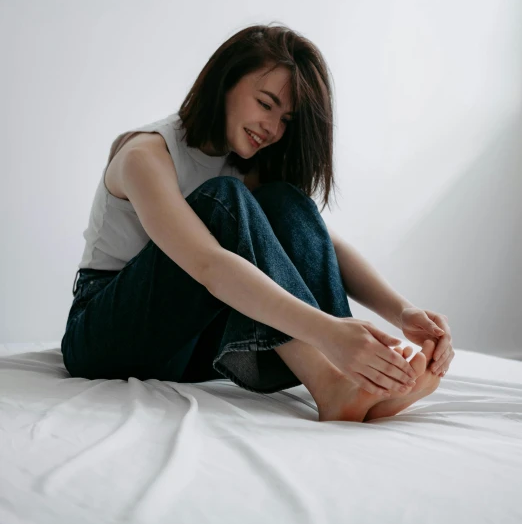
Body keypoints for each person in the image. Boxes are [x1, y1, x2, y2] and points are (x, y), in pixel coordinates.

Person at [61, 23, 455, 423]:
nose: (273, 128)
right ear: (225, 83)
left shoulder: (243, 167)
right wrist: (328, 333)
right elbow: (208, 266)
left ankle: (355, 378)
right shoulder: (145, 155)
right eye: (265, 104)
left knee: (286, 201)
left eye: (286, 119)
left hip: (189, 347)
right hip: (104, 337)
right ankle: (333, 381)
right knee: (224, 201)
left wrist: (403, 313)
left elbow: (326, 245)